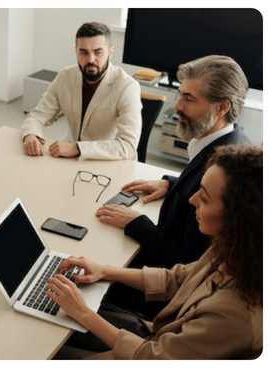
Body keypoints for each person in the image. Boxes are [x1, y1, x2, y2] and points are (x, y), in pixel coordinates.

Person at [47, 144, 262, 359]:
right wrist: (104, 271)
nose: (192, 199)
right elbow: (177, 278)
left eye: (204, 197)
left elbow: (152, 356)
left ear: (239, 218)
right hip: (158, 338)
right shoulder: (236, 248)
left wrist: (83, 313)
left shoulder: (235, 315)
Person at [93, 55, 250, 318]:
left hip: (163, 299)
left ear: (222, 107)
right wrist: (172, 184)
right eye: (180, 95)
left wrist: (137, 224)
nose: (177, 106)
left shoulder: (219, 171)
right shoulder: (232, 143)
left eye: (189, 99)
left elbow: (183, 263)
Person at [21, 22, 141, 160]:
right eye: (84, 52)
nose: (90, 59)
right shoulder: (65, 76)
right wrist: (30, 134)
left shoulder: (128, 87)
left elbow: (128, 146)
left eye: (98, 52)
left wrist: (77, 148)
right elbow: (38, 115)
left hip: (110, 160)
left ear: (110, 52)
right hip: (70, 158)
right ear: (76, 51)